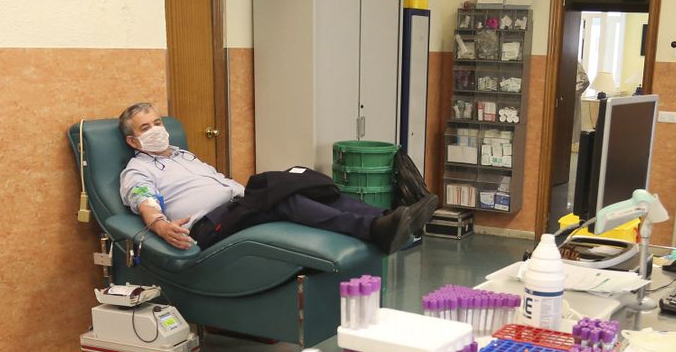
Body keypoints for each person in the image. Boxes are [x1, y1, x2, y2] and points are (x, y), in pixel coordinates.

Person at [116, 102, 436, 253]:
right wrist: (158, 223)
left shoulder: (183, 154)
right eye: (146, 128)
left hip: (237, 206)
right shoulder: (137, 170)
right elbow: (144, 198)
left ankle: (391, 218)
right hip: (208, 226)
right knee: (289, 201)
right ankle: (372, 229)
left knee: (308, 184)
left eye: (158, 123)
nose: (156, 130)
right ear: (133, 141)